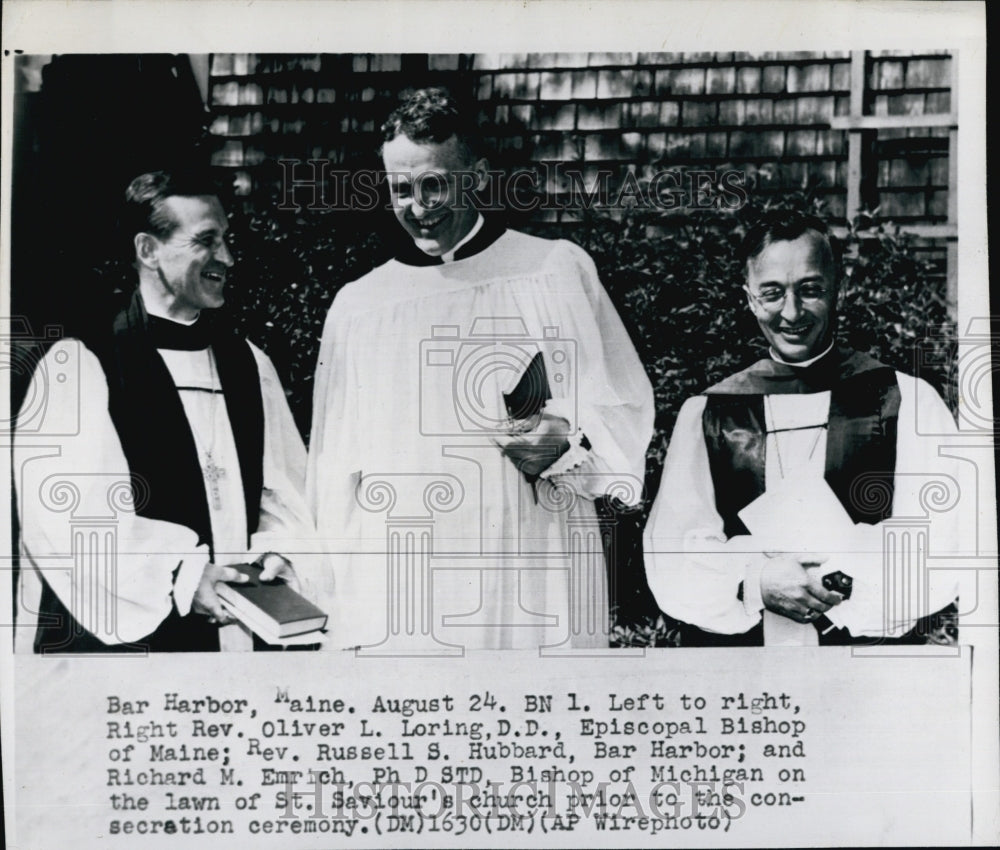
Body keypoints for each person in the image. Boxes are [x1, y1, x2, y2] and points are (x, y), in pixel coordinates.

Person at [307, 88, 654, 650]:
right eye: (401, 188)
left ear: (478, 175)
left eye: (435, 184)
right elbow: (333, 466)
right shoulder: (361, 306)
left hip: (532, 559)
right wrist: (335, 594)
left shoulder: (551, 270)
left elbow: (622, 406)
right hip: (405, 579)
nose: (418, 206)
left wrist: (565, 444)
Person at [14, 170, 318, 652]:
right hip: (127, 652)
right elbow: (71, 520)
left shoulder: (248, 363)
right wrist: (182, 573)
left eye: (227, 240)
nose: (228, 258)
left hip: (237, 639)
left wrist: (279, 555)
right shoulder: (83, 363)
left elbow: (286, 495)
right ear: (148, 250)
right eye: (206, 241)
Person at [643, 210, 963, 646]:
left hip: (869, 664)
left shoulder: (904, 401)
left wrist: (841, 580)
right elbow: (673, 552)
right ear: (750, 298)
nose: (790, 313)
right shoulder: (710, 414)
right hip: (744, 668)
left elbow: (943, 541)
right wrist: (756, 581)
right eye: (771, 294)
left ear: (839, 290)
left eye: (809, 290)